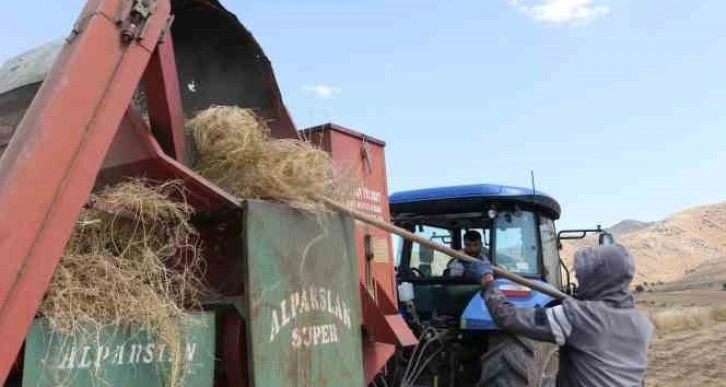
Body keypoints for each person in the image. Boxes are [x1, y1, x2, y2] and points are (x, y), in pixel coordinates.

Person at [465, 243, 654, 386]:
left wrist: (488, 282)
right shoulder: (643, 324)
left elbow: (507, 317)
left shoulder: (577, 316)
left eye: (583, 277)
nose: (579, 282)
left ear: (597, 280)